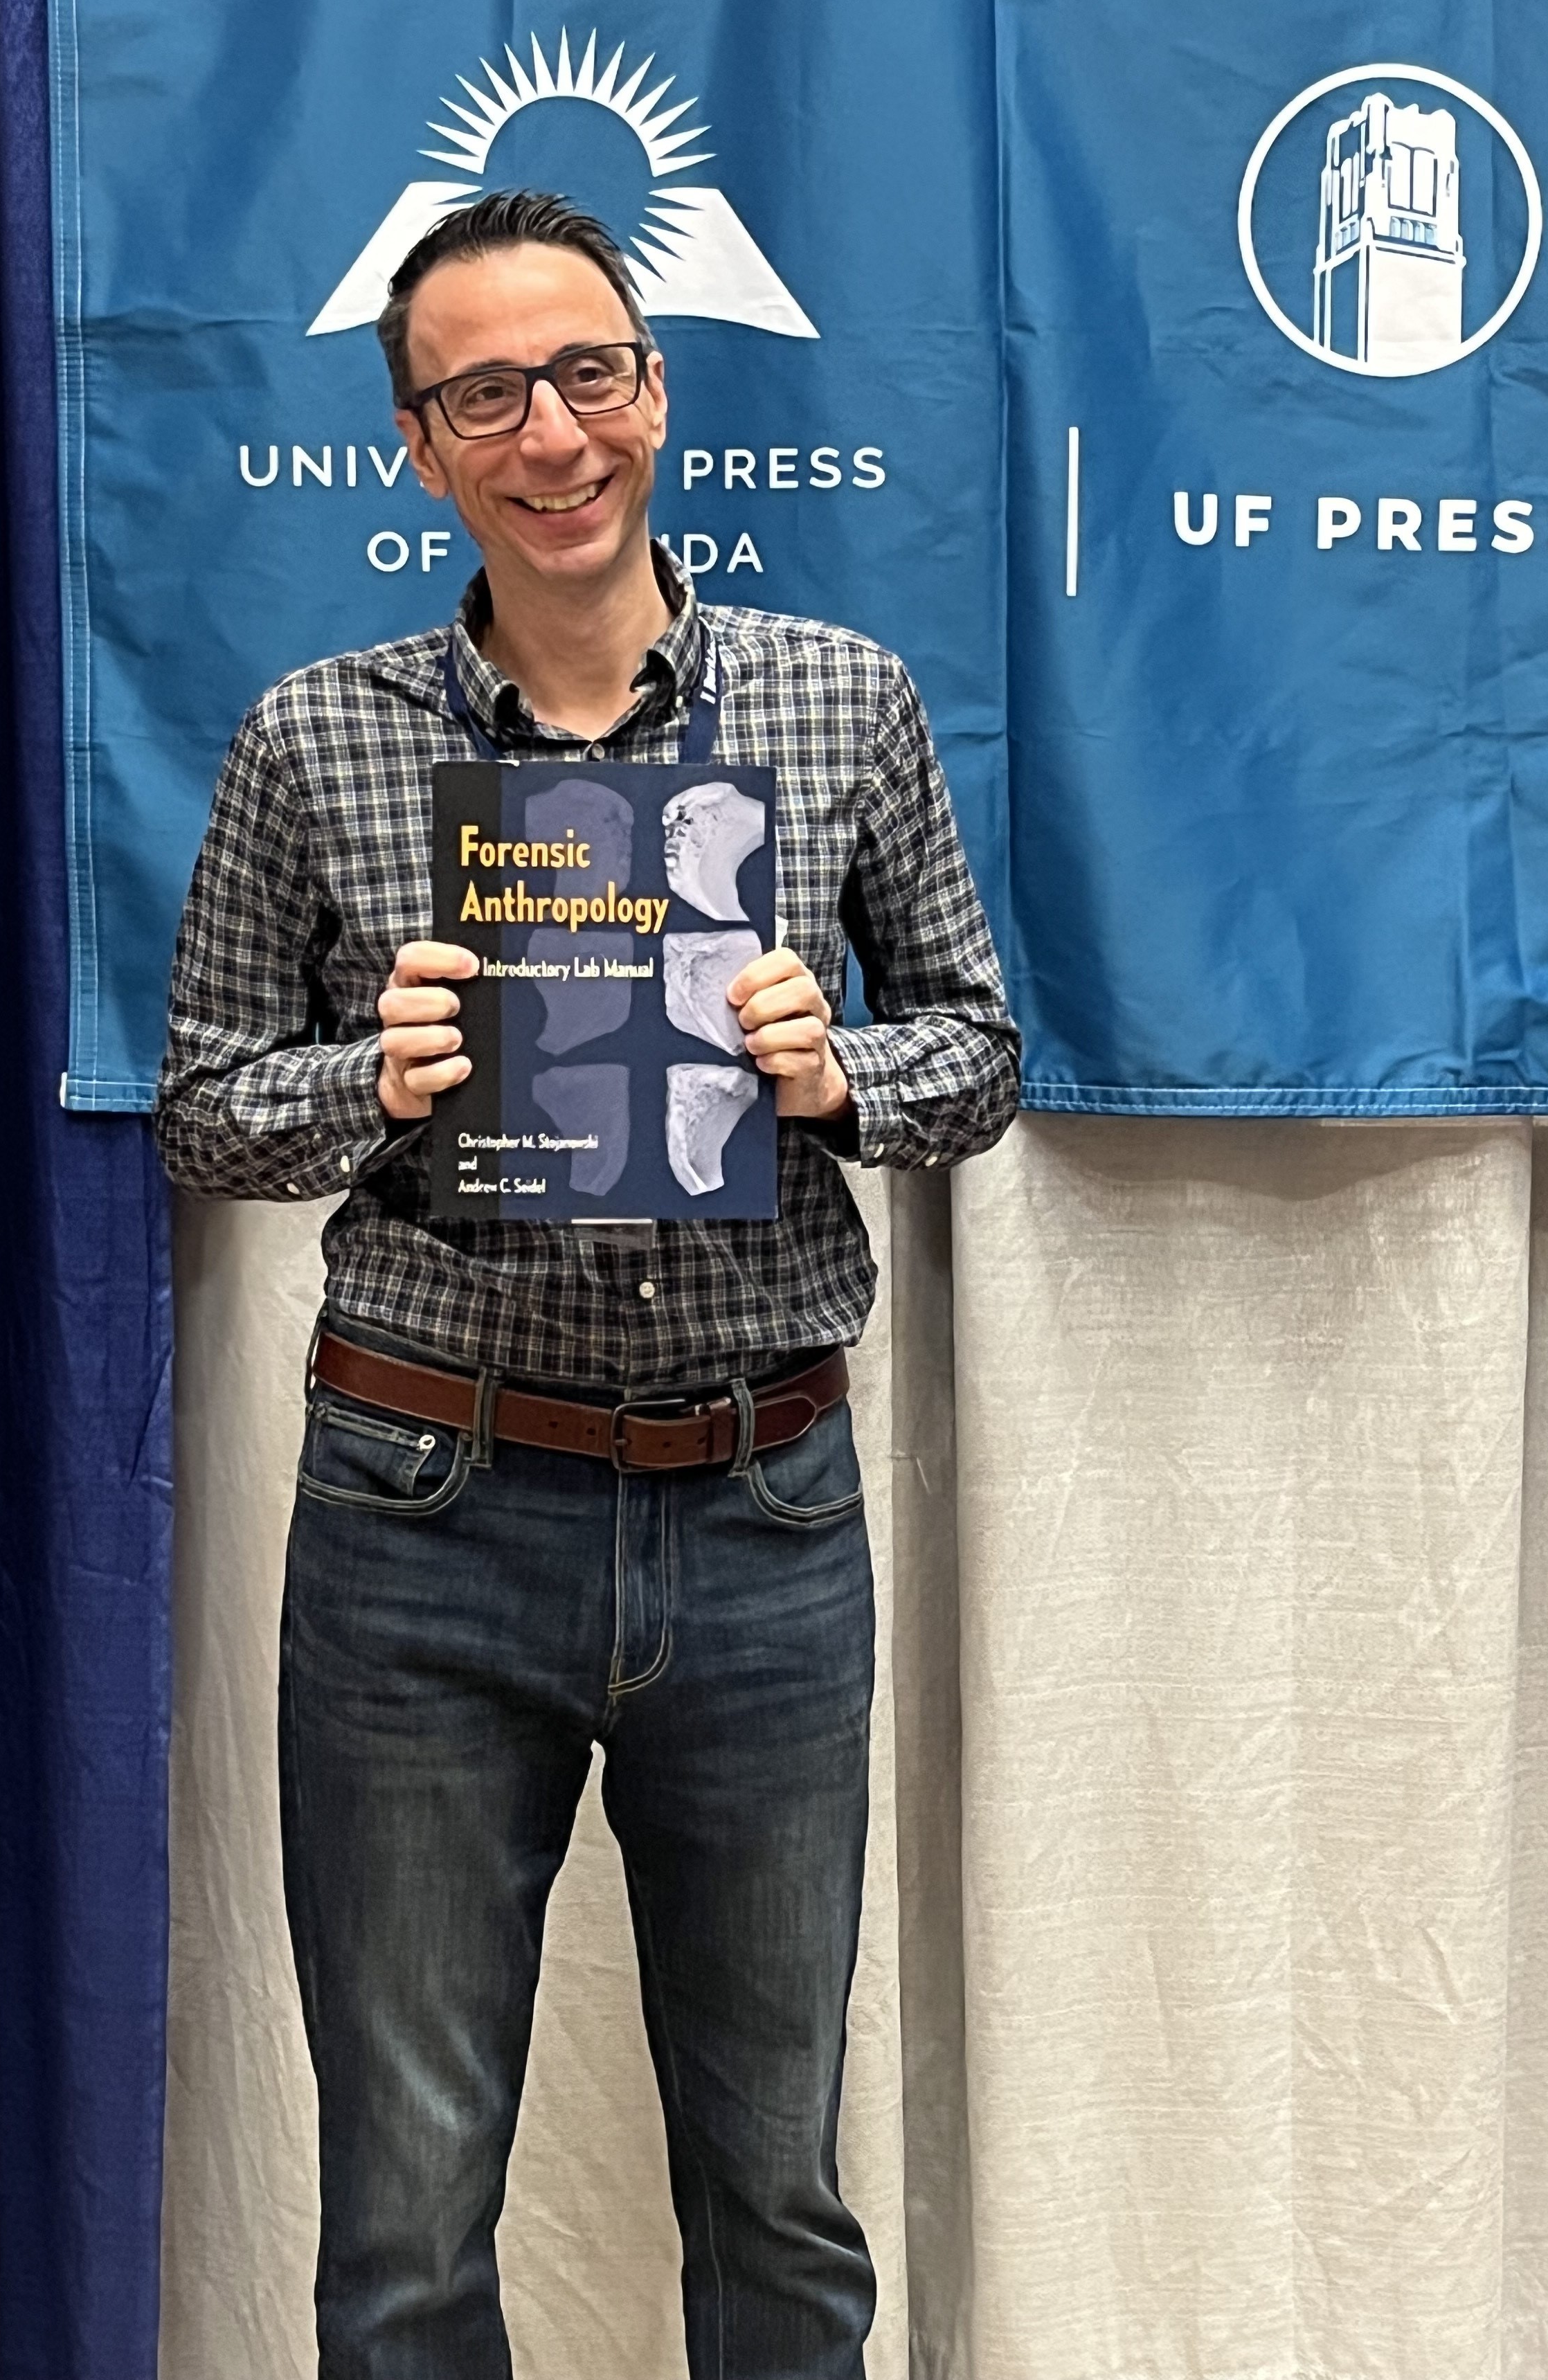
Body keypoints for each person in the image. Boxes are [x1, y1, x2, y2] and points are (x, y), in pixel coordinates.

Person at [154, 188, 1020, 2380]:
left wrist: (841, 1073)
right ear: (417, 446)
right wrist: (369, 1077)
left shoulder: (841, 702)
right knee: (407, 2216)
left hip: (764, 1510)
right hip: (422, 1518)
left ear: (659, 387)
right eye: (485, 397)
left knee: (780, 2197)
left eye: (589, 373)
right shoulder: (315, 737)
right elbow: (205, 1110)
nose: (552, 434)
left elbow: (981, 1053)